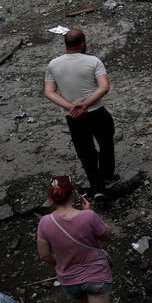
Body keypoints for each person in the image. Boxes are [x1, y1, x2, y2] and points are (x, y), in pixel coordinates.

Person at [36, 175, 119, 303]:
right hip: (96, 276)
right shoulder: (87, 217)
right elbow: (107, 236)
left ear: (51, 197)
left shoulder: (45, 223)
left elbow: (44, 254)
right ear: (73, 194)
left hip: (69, 278)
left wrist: (60, 263)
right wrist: (89, 212)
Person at [44, 30, 117, 200]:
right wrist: (86, 103)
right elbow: (104, 87)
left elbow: (49, 92)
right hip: (97, 112)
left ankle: (97, 186)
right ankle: (107, 176)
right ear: (83, 43)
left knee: (86, 152)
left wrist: (72, 107)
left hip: (74, 117)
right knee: (106, 144)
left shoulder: (53, 64)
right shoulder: (93, 61)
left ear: (66, 44)